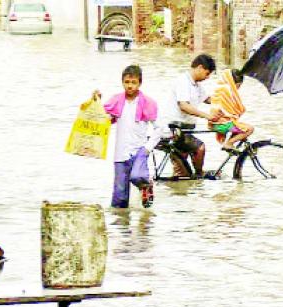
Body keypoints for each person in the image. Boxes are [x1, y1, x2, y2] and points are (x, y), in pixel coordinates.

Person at [93, 65, 158, 209]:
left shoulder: (148, 103)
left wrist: (148, 148)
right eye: (127, 82)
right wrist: (97, 102)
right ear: (122, 82)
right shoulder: (116, 101)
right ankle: (120, 227)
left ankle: (146, 185)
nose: (130, 86)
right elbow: (103, 119)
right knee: (119, 199)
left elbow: (160, 129)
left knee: (137, 176)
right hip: (121, 152)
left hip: (140, 150)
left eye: (133, 82)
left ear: (140, 83)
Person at [157, 54, 222, 178]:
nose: (207, 77)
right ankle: (199, 176)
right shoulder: (183, 81)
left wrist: (225, 101)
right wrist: (207, 116)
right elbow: (184, 106)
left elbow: (208, 99)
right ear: (200, 67)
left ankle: (192, 181)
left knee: (183, 174)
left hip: (185, 130)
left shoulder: (196, 85)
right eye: (207, 73)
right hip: (174, 129)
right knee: (200, 148)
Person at [209, 69, 254, 151]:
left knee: (239, 127)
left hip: (214, 123)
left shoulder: (220, 88)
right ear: (236, 84)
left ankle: (230, 144)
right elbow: (236, 109)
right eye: (238, 86)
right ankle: (229, 143)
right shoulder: (227, 90)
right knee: (250, 129)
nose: (238, 88)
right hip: (222, 124)